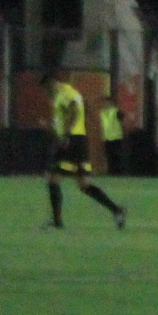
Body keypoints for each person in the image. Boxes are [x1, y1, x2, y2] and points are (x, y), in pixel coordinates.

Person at [42, 62, 124, 230]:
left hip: (71, 141)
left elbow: (75, 109)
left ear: (50, 82)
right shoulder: (66, 93)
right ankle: (116, 210)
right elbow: (80, 109)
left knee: (53, 178)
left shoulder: (64, 92)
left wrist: (65, 134)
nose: (45, 92)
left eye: (45, 88)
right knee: (83, 184)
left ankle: (57, 222)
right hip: (78, 140)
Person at [98, 92, 130, 179]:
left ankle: (118, 173)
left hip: (117, 138)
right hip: (107, 138)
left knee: (117, 156)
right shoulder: (102, 113)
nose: (104, 104)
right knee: (109, 156)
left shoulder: (116, 112)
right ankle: (111, 172)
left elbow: (123, 123)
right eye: (103, 102)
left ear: (111, 103)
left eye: (106, 102)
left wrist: (124, 134)